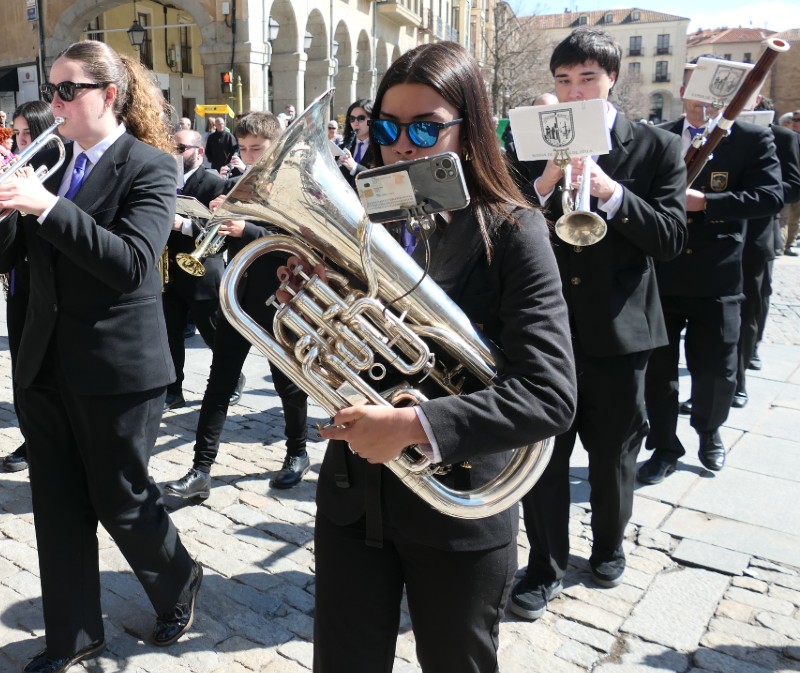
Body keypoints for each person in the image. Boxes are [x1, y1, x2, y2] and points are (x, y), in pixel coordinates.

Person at [310, 41, 575, 672]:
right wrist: (310, 300)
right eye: (387, 128)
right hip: (353, 497)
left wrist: (415, 425)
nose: (403, 146)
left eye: (426, 128)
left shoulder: (514, 229)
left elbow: (550, 394)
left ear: (469, 128)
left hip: (460, 503)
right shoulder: (357, 221)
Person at [0, 40, 200, 673]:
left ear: (109, 95)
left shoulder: (150, 165)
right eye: (51, 90)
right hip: (44, 360)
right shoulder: (47, 164)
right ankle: (73, 636)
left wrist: (47, 206)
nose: (55, 103)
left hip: (116, 366)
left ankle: (179, 577)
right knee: (57, 506)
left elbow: (130, 263)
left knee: (120, 498)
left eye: (67, 90)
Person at [511, 27, 688, 621]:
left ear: (611, 79)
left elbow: (670, 238)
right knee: (543, 456)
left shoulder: (657, 147)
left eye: (587, 78)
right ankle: (544, 565)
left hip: (619, 330)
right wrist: (543, 183)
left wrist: (611, 192)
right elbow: (503, 227)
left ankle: (609, 546)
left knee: (613, 452)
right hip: (545, 330)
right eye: (564, 80)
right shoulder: (531, 144)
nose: (575, 91)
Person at [638, 58, 782, 482]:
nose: (703, 102)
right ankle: (664, 445)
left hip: (718, 276)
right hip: (663, 275)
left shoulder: (752, 139)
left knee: (717, 369)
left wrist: (708, 204)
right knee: (658, 373)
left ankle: (709, 430)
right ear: (684, 92)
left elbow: (770, 196)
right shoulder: (660, 136)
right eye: (695, 90)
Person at [162, 111, 310, 501]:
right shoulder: (238, 185)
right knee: (219, 384)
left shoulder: (294, 188)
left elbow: (300, 243)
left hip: (279, 299)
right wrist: (213, 220)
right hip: (237, 296)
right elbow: (221, 240)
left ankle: (297, 452)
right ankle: (201, 470)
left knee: (287, 384)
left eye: (256, 149)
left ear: (276, 147)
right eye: (243, 148)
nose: (248, 156)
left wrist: (249, 229)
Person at [0, 99, 56, 474]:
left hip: (48, 283)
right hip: (20, 282)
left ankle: (46, 438)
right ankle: (30, 436)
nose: (20, 139)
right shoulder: (14, 167)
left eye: (28, 132)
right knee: (21, 366)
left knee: (44, 368)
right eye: (16, 132)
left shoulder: (56, 170)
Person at [737, 102, 800, 402]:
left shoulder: (782, 137)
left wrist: (758, 194)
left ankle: (745, 363)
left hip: (758, 231)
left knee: (755, 300)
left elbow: (794, 186)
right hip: (716, 233)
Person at [162, 127, 228, 411]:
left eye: (180, 148)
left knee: (214, 335)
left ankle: (231, 379)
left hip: (202, 272)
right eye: (172, 148)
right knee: (170, 335)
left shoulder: (215, 183)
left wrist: (185, 225)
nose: (174, 154)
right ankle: (173, 390)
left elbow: (222, 230)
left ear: (199, 152)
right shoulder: (166, 179)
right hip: (170, 271)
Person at [337, 98, 372, 183]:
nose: (355, 123)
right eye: (352, 119)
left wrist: (354, 167)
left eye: (361, 118)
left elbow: (381, 179)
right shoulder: (342, 147)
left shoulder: (382, 148)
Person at [783, 111, 800, 255]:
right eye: (794, 120)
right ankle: (782, 245)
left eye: (798, 120)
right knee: (783, 215)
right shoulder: (786, 137)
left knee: (795, 215)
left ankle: (790, 243)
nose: (795, 123)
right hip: (788, 180)